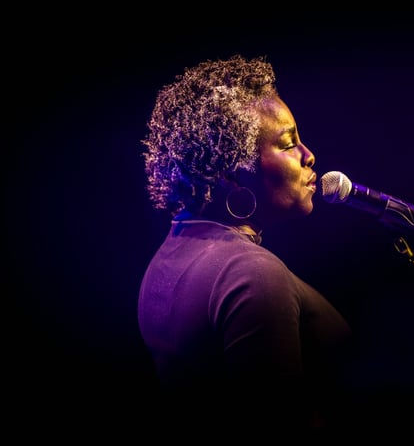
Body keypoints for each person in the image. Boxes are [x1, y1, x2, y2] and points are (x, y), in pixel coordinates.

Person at [137, 54, 353, 430]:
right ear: (235, 172)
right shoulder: (251, 273)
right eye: (288, 144)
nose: (308, 156)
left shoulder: (172, 251)